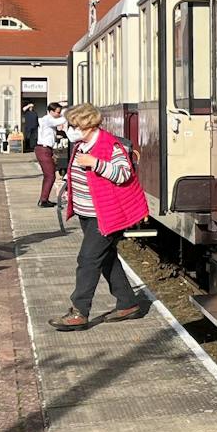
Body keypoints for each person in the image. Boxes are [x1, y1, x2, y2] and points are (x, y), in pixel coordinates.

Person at [51, 103, 149, 330]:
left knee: (87, 260)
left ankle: (79, 311)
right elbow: (77, 172)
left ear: (87, 125)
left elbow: (124, 174)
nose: (70, 129)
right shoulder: (80, 144)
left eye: (74, 125)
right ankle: (128, 303)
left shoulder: (109, 145)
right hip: (87, 212)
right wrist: (66, 184)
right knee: (105, 257)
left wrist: (96, 163)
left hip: (106, 214)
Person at [33, 102, 68, 207]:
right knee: (50, 175)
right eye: (58, 112)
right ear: (51, 111)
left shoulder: (47, 120)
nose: (59, 114)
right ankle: (43, 200)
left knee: (49, 175)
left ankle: (44, 199)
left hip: (46, 149)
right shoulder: (48, 119)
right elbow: (60, 121)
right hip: (43, 149)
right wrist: (69, 114)